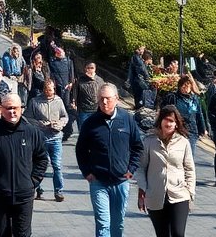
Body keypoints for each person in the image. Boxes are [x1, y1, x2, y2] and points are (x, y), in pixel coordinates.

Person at [0, 94, 50, 237]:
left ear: (21, 109)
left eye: (15, 108)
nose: (12, 112)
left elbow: (42, 158)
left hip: (24, 195)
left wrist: (33, 181)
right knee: (1, 233)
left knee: (23, 234)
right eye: (8, 108)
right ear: (1, 109)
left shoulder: (31, 132)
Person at [76, 83, 144, 237]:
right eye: (101, 99)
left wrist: (131, 169)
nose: (104, 102)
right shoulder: (90, 123)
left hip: (121, 181)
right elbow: (80, 150)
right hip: (99, 181)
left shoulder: (127, 119)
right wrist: (87, 172)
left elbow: (137, 147)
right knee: (103, 224)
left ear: (117, 99)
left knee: (118, 224)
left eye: (108, 99)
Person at [137, 105, 197, 237]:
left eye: (172, 121)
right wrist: (143, 188)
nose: (168, 123)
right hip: (155, 194)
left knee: (178, 233)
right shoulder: (149, 141)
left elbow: (189, 169)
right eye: (166, 119)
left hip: (180, 194)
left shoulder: (183, 142)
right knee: (162, 234)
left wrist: (190, 191)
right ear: (160, 121)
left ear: (176, 124)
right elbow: (141, 168)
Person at [26, 78, 69, 202]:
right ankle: (38, 189)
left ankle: (58, 191)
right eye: (46, 89)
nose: (48, 91)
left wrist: (60, 124)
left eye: (50, 89)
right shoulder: (35, 101)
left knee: (57, 165)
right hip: (41, 137)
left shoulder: (59, 101)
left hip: (56, 136)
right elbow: (28, 118)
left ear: (54, 89)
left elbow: (64, 116)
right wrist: (40, 124)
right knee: (40, 164)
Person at [164, 75, 207, 169]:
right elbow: (166, 113)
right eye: (183, 86)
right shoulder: (173, 98)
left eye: (188, 86)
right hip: (177, 130)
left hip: (192, 130)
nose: (185, 88)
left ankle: (186, 176)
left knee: (189, 156)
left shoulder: (195, 99)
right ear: (179, 87)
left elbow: (199, 114)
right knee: (176, 155)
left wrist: (203, 128)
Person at [72, 61, 102, 128]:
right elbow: (75, 93)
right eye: (88, 68)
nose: (90, 70)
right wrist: (74, 103)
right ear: (85, 69)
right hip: (83, 111)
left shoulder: (100, 80)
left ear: (95, 69)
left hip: (96, 110)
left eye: (92, 68)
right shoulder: (80, 80)